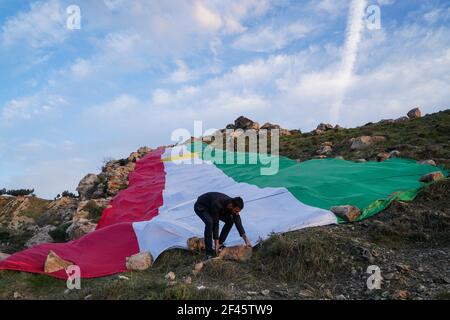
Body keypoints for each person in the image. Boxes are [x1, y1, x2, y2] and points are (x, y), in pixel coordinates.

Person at [194, 192, 252, 258]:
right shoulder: (218, 203)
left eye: (238, 211)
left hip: (214, 208)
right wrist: (216, 243)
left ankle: (220, 243)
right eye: (236, 211)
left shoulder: (233, 206)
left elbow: (238, 222)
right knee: (210, 222)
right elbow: (216, 224)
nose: (237, 213)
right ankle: (209, 252)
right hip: (201, 206)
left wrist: (246, 240)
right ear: (231, 205)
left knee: (230, 221)